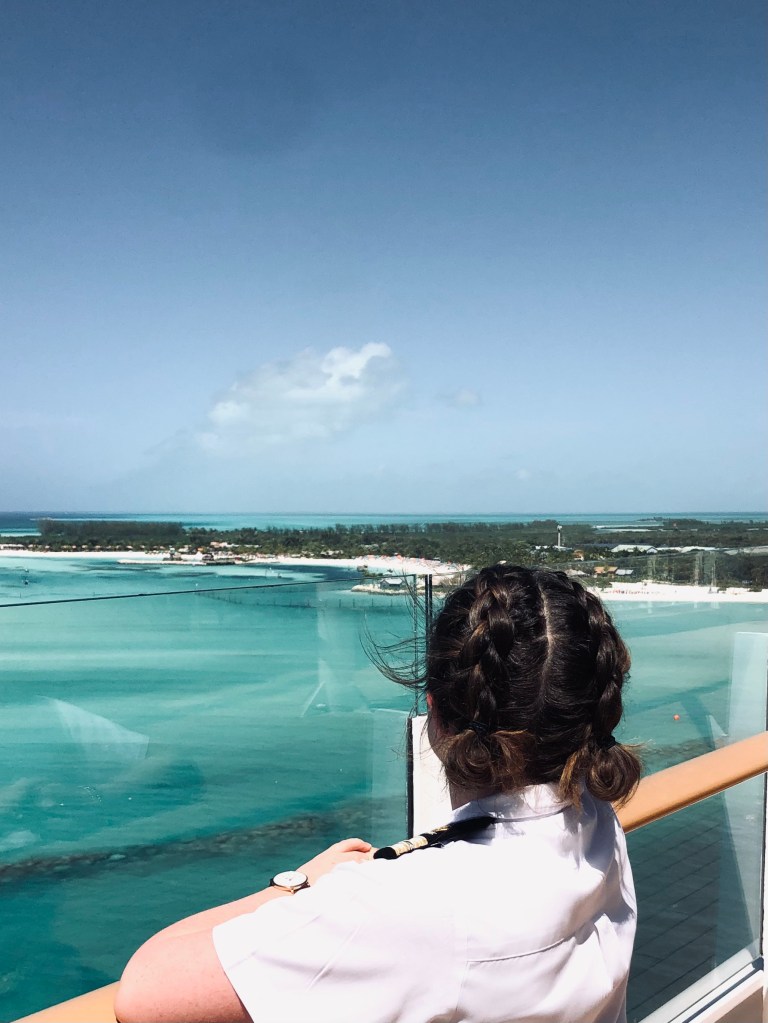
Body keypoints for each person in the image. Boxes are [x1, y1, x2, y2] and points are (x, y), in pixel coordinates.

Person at [115, 565, 640, 1023]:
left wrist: (298, 884)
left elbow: (145, 994)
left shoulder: (412, 905)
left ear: (433, 711)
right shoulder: (595, 826)